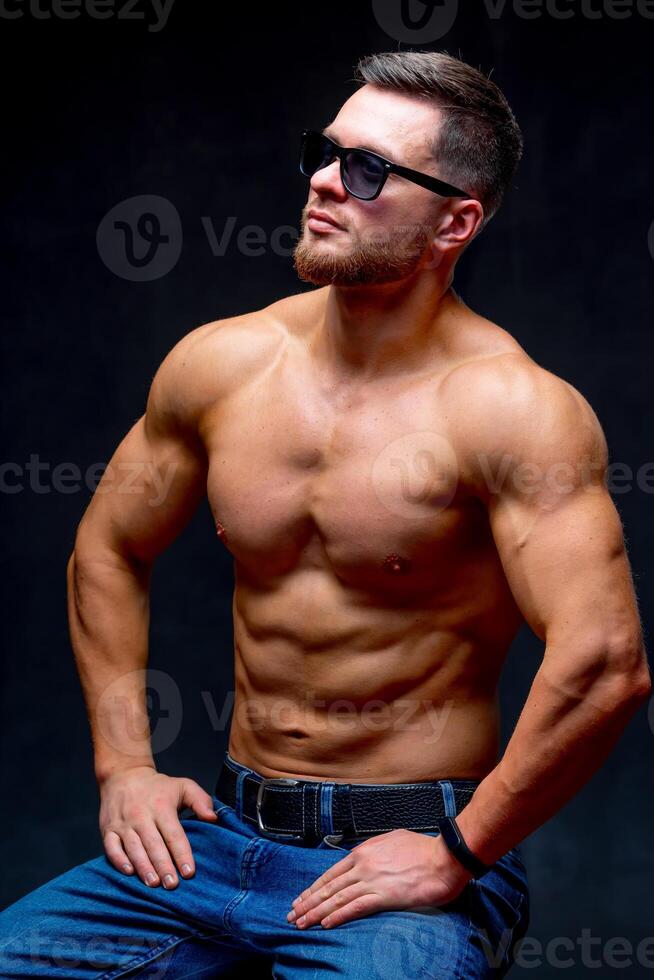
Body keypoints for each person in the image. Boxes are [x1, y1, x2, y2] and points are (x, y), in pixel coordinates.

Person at [1, 49, 650, 979]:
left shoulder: (513, 410)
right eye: (326, 151)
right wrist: (124, 767)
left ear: (455, 223)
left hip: (404, 860)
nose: (321, 181)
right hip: (211, 841)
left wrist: (458, 853)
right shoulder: (221, 365)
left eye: (369, 169)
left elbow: (606, 664)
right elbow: (105, 549)